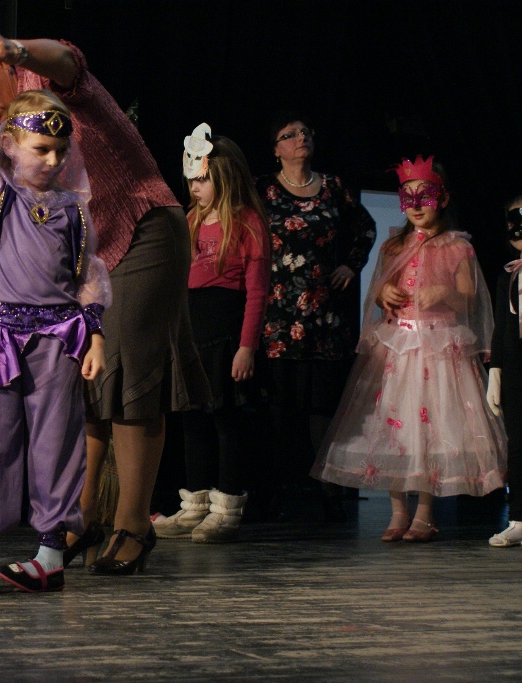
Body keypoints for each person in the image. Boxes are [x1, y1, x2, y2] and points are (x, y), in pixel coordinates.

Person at [0, 13, 210, 575]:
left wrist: (13, 46)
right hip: (82, 256)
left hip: (141, 226)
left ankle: (133, 525)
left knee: (126, 376)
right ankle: (79, 521)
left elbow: (66, 58)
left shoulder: (44, 79)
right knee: (79, 388)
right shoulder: (2, 132)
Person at [0, 16, 109, 594]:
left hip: (58, 338)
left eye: (61, 150)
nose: (54, 159)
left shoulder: (72, 208)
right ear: (11, 145)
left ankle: (49, 555)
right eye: (42, 148)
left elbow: (88, 274)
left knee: (56, 443)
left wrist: (95, 333)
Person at [312, 156, 506, 541]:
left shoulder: (457, 247)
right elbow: (380, 288)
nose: (416, 205)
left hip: (436, 346)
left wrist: (445, 292)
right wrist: (384, 293)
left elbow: (469, 297)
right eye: (408, 197)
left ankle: (425, 513)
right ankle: (398, 511)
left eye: (425, 196)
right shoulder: (394, 244)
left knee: (430, 428)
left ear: (443, 199)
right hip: (398, 346)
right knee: (394, 428)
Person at [255, 112, 377, 520]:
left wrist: (351, 265)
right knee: (278, 408)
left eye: (305, 132)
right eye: (289, 135)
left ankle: (329, 493)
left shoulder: (333, 187)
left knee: (322, 407)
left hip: (324, 316)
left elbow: (365, 228)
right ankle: (271, 494)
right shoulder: (262, 189)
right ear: (276, 149)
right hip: (277, 317)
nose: (300, 138)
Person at [153, 125, 268, 543]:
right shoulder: (191, 220)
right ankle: (195, 505)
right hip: (193, 335)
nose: (195, 188)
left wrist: (246, 347)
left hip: (226, 336)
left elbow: (257, 292)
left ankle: (226, 507)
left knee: (225, 420)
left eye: (202, 180)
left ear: (225, 177)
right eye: (192, 180)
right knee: (192, 420)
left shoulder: (248, 223)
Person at [486, 197, 522, 547]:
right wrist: (495, 371)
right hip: (515, 369)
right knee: (518, 444)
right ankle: (520, 518)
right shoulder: (508, 275)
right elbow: (501, 328)